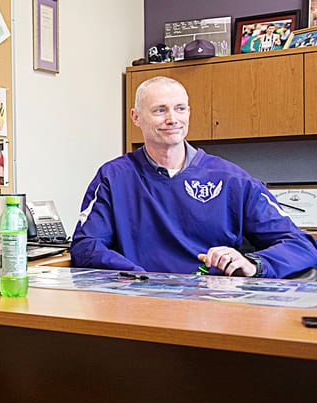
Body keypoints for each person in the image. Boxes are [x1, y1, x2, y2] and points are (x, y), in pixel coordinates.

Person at [70, 76, 317, 278]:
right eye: (159, 110)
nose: (172, 119)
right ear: (136, 117)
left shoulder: (232, 179)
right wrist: (139, 277)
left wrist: (253, 264)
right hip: (139, 302)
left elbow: (301, 245)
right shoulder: (113, 177)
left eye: (180, 109)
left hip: (214, 306)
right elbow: (86, 245)